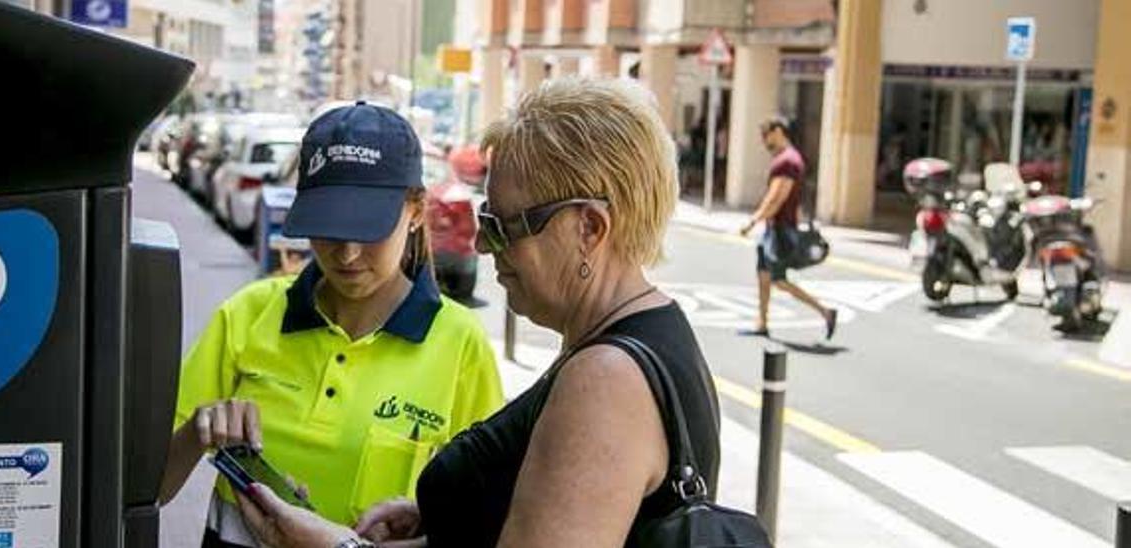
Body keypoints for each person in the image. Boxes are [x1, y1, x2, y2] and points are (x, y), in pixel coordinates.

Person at [222, 78, 724, 548]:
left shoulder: (607, 382)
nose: (482, 244)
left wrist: (337, 546)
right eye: (485, 220)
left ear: (589, 228)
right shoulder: (646, 341)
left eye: (505, 225)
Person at [159, 101, 505, 547]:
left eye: (367, 229)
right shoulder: (246, 315)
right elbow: (149, 487)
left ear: (416, 209)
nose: (346, 253)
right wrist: (199, 429)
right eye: (328, 227)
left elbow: (491, 515)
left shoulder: (461, 346)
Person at [740, 116, 837, 339]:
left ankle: (826, 312)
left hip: (780, 230)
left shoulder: (787, 161)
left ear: (778, 131)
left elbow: (776, 198)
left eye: (766, 135)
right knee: (763, 275)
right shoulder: (789, 159)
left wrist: (752, 221)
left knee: (778, 279)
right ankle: (762, 323)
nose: (764, 141)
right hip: (774, 229)